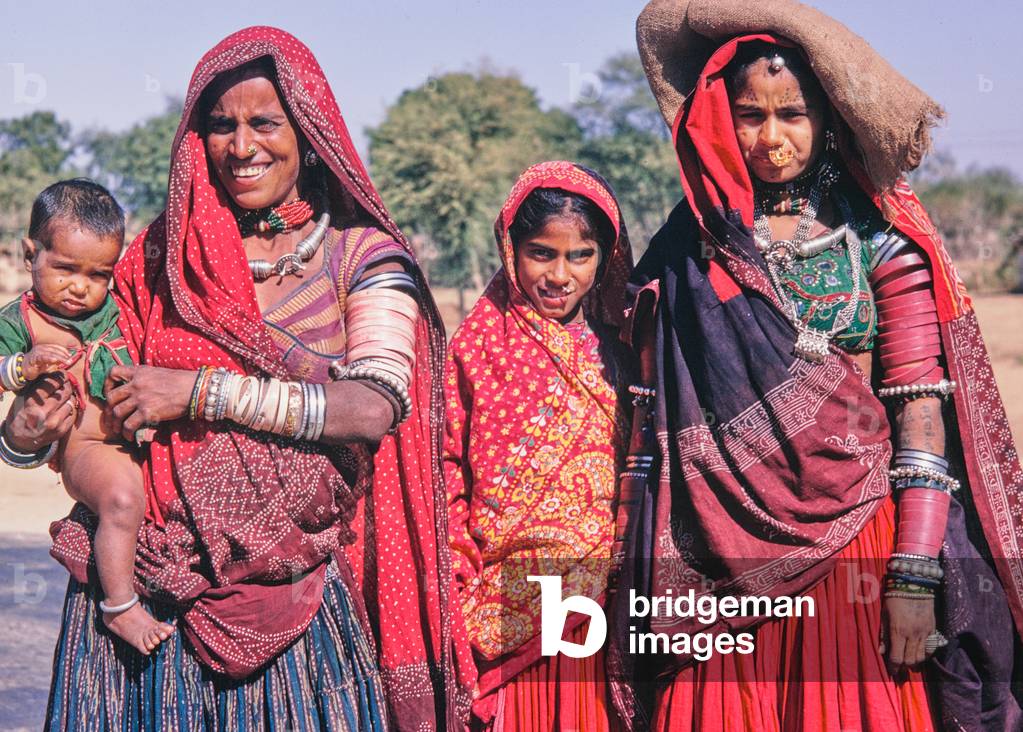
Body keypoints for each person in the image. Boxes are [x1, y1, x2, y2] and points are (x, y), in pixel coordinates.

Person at [1, 26, 469, 730]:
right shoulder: (156, 256)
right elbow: (76, 410)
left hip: (286, 600)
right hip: (135, 594)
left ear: (308, 132)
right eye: (221, 125)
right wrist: (23, 433)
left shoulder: (360, 258)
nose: (242, 145)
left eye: (264, 123)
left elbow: (372, 406)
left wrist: (199, 392)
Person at [608, 2, 1023, 730]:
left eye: (791, 115)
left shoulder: (877, 243)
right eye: (749, 114)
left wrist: (915, 573)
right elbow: (647, 412)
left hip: (853, 553)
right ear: (718, 119)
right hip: (718, 563)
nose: (770, 139)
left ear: (827, 119)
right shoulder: (688, 246)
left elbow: (917, 413)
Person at [445, 161, 633, 730]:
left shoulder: (621, 353)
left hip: (598, 601)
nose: (560, 274)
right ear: (510, 249)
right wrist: (455, 587)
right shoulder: (475, 348)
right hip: (499, 605)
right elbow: (449, 470)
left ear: (605, 258)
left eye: (581, 255)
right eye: (541, 253)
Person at [0, 179, 176, 654]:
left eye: (98, 275)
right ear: (29, 253)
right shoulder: (21, 319)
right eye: (63, 269)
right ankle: (119, 607)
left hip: (137, 440)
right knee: (121, 501)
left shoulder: (118, 309)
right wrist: (22, 367)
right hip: (88, 447)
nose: (80, 287)